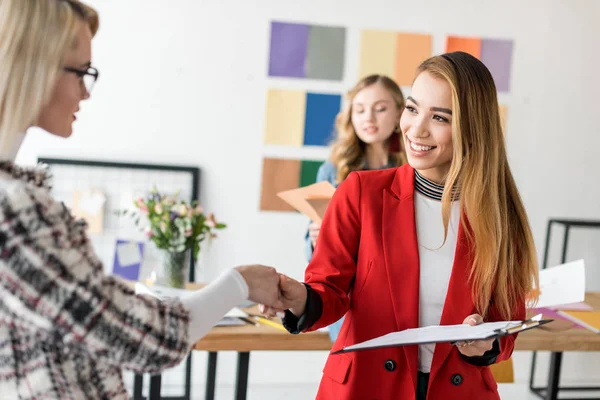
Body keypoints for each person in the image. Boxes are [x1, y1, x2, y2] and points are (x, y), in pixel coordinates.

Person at [0, 1, 285, 399]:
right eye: (81, 72)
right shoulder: (14, 210)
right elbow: (143, 339)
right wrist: (239, 284)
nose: (86, 91)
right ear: (32, 64)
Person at [264, 51, 539, 399]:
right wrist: (298, 297)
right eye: (412, 109)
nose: (416, 128)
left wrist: (483, 343)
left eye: (439, 117)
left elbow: (506, 326)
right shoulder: (360, 192)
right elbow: (328, 293)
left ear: (473, 128)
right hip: (363, 388)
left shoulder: (501, 217)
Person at [304, 75, 407, 341]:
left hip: (405, 298)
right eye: (359, 110)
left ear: (399, 113)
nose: (368, 118)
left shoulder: (415, 169)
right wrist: (317, 239)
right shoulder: (331, 170)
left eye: (380, 108)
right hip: (351, 303)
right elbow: (312, 255)